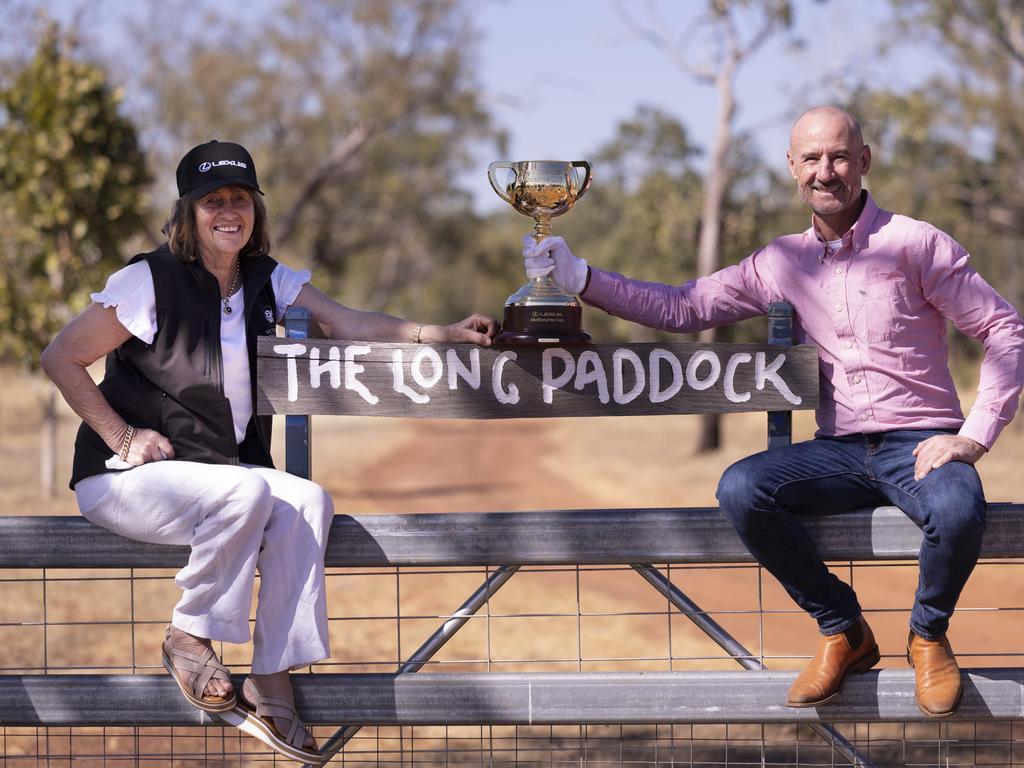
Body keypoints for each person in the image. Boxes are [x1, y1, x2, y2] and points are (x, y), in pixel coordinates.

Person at [523, 106, 1024, 717]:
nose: (826, 171)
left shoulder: (915, 244)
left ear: (863, 161)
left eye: (839, 156)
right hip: (838, 449)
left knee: (958, 503)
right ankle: (843, 630)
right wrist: (581, 278)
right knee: (741, 488)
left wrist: (972, 436)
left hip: (920, 442)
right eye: (811, 158)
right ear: (792, 168)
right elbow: (685, 308)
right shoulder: (780, 262)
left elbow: (1003, 329)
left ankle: (926, 636)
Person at [41, 140, 497, 762]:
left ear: (254, 208)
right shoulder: (148, 280)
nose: (228, 211)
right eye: (212, 201)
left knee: (310, 500)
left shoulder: (265, 279)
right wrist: (122, 436)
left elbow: (346, 322)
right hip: (124, 477)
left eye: (240, 199)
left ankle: (272, 673)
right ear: (187, 212)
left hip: (219, 480)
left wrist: (438, 333)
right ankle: (188, 635)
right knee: (249, 488)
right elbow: (60, 357)